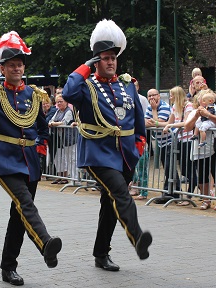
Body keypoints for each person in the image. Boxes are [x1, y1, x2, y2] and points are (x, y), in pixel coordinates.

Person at [0, 31, 62, 286]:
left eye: (20, 64)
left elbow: (42, 128)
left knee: (19, 215)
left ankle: (8, 267)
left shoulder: (33, 95)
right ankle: (46, 243)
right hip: (5, 159)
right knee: (26, 204)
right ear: (3, 69)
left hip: (29, 160)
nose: (17, 68)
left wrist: (39, 152)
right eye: (11, 65)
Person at [62, 19, 152, 271]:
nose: (111, 62)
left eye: (113, 57)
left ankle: (101, 254)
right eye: (104, 58)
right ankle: (137, 236)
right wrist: (84, 68)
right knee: (120, 193)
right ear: (95, 61)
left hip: (124, 155)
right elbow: (68, 93)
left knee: (109, 205)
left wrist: (138, 147)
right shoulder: (86, 87)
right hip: (98, 154)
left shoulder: (126, 86)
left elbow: (137, 122)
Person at [184, 89, 216, 211]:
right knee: (202, 175)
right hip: (200, 148)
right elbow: (187, 127)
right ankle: (205, 199)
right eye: (201, 100)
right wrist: (197, 115)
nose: (203, 102)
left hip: (214, 146)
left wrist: (208, 115)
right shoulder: (194, 111)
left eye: (205, 99)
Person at [162, 86, 197, 204]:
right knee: (169, 164)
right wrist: (157, 123)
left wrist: (170, 126)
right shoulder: (174, 107)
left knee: (187, 168)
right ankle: (176, 191)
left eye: (171, 95)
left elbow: (186, 122)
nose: (170, 97)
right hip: (177, 140)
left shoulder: (188, 106)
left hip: (187, 140)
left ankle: (189, 195)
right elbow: (169, 122)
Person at [144, 88, 179, 203]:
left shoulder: (163, 107)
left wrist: (154, 111)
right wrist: (152, 121)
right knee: (169, 167)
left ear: (159, 96)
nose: (151, 98)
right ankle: (174, 192)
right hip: (161, 142)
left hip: (170, 140)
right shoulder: (149, 107)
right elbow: (145, 122)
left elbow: (157, 123)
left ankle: (169, 193)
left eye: (154, 95)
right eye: (149, 96)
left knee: (170, 167)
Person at [48, 94, 76, 184]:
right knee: (65, 158)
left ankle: (74, 179)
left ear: (66, 102)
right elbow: (50, 121)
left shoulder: (69, 111)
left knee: (72, 159)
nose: (59, 103)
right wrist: (54, 123)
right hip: (61, 139)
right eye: (57, 102)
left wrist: (53, 124)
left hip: (70, 139)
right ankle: (69, 178)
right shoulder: (58, 111)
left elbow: (64, 122)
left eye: (61, 101)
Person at [130, 79, 149, 200]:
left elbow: (146, 117)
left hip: (139, 137)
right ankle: (134, 186)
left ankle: (144, 191)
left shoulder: (142, 99)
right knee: (132, 165)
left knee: (142, 165)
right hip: (129, 136)